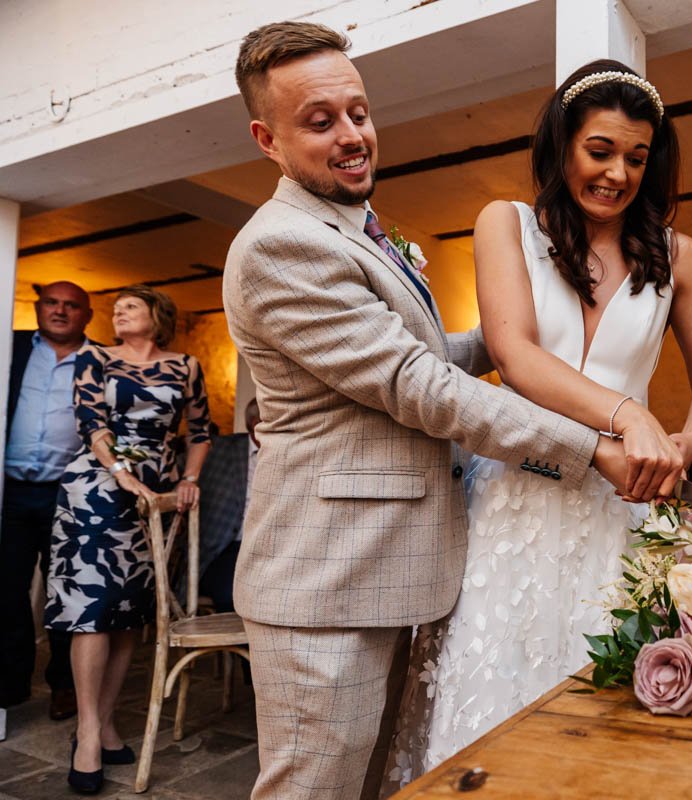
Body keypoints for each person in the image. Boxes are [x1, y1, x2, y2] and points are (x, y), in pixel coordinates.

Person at [223, 23, 662, 800]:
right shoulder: (281, 246)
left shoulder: (355, 230)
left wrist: (511, 334)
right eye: (319, 122)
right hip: (326, 583)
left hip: (391, 571)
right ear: (267, 138)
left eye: (357, 112)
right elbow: (417, 387)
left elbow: (428, 361)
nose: (353, 135)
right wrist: (596, 444)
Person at [391, 58, 692, 780]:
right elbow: (514, 355)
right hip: (514, 502)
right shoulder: (506, 226)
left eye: (637, 158)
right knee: (493, 694)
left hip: (623, 507)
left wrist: (679, 444)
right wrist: (626, 412)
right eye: (600, 150)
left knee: (607, 702)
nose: (617, 173)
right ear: (561, 145)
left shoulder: (681, 258)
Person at [44, 285, 212, 794]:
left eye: (130, 306)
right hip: (95, 490)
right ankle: (89, 734)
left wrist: (189, 480)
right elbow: (91, 423)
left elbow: (201, 432)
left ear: (157, 316)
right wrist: (121, 473)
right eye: (115, 308)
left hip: (156, 497)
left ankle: (107, 721)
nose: (118, 312)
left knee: (127, 614)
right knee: (91, 612)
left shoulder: (186, 365)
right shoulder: (93, 357)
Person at [1, 282, 91, 723]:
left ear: (86, 315)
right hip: (10, 491)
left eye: (71, 305)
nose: (60, 311)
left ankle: (64, 686)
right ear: (37, 308)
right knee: (6, 590)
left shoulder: (100, 361)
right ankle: (10, 685)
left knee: (65, 592)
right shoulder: (10, 345)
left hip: (69, 493)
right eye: (52, 303)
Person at [197, 399, 261, 615]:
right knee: (233, 593)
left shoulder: (288, 455)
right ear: (255, 423)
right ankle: (241, 649)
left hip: (270, 549)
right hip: (226, 548)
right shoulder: (220, 449)